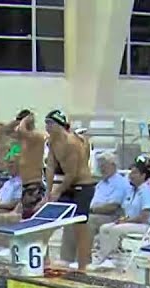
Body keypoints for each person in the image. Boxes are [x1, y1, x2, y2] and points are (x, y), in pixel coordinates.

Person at [44, 109, 96, 272]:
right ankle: (45, 260)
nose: (47, 127)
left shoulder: (72, 143)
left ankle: (83, 266)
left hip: (82, 186)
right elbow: (50, 167)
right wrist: (48, 192)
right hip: (68, 185)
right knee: (48, 220)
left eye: (50, 123)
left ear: (59, 125)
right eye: (46, 123)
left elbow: (72, 174)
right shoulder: (52, 141)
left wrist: (57, 191)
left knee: (79, 226)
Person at [96, 161, 150, 265]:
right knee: (104, 228)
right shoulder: (130, 191)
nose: (131, 175)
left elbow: (144, 217)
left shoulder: (147, 192)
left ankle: (111, 258)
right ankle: (104, 258)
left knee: (115, 230)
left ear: (143, 176)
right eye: (131, 173)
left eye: (134, 173)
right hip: (129, 222)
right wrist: (123, 219)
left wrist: (126, 221)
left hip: (143, 225)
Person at [3, 109, 48, 219]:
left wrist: (25, 120)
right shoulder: (20, 143)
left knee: (27, 218)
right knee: (17, 218)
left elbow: (22, 131)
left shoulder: (37, 137)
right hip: (24, 185)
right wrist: (18, 121)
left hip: (34, 184)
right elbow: (6, 131)